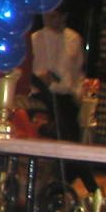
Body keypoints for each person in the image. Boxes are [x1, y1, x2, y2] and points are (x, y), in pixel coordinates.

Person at [28, 8, 86, 143]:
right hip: (43, 93)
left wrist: (79, 93)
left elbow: (77, 71)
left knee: (71, 131)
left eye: (59, 17)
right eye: (52, 17)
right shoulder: (36, 39)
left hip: (67, 94)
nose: (56, 21)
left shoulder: (74, 38)